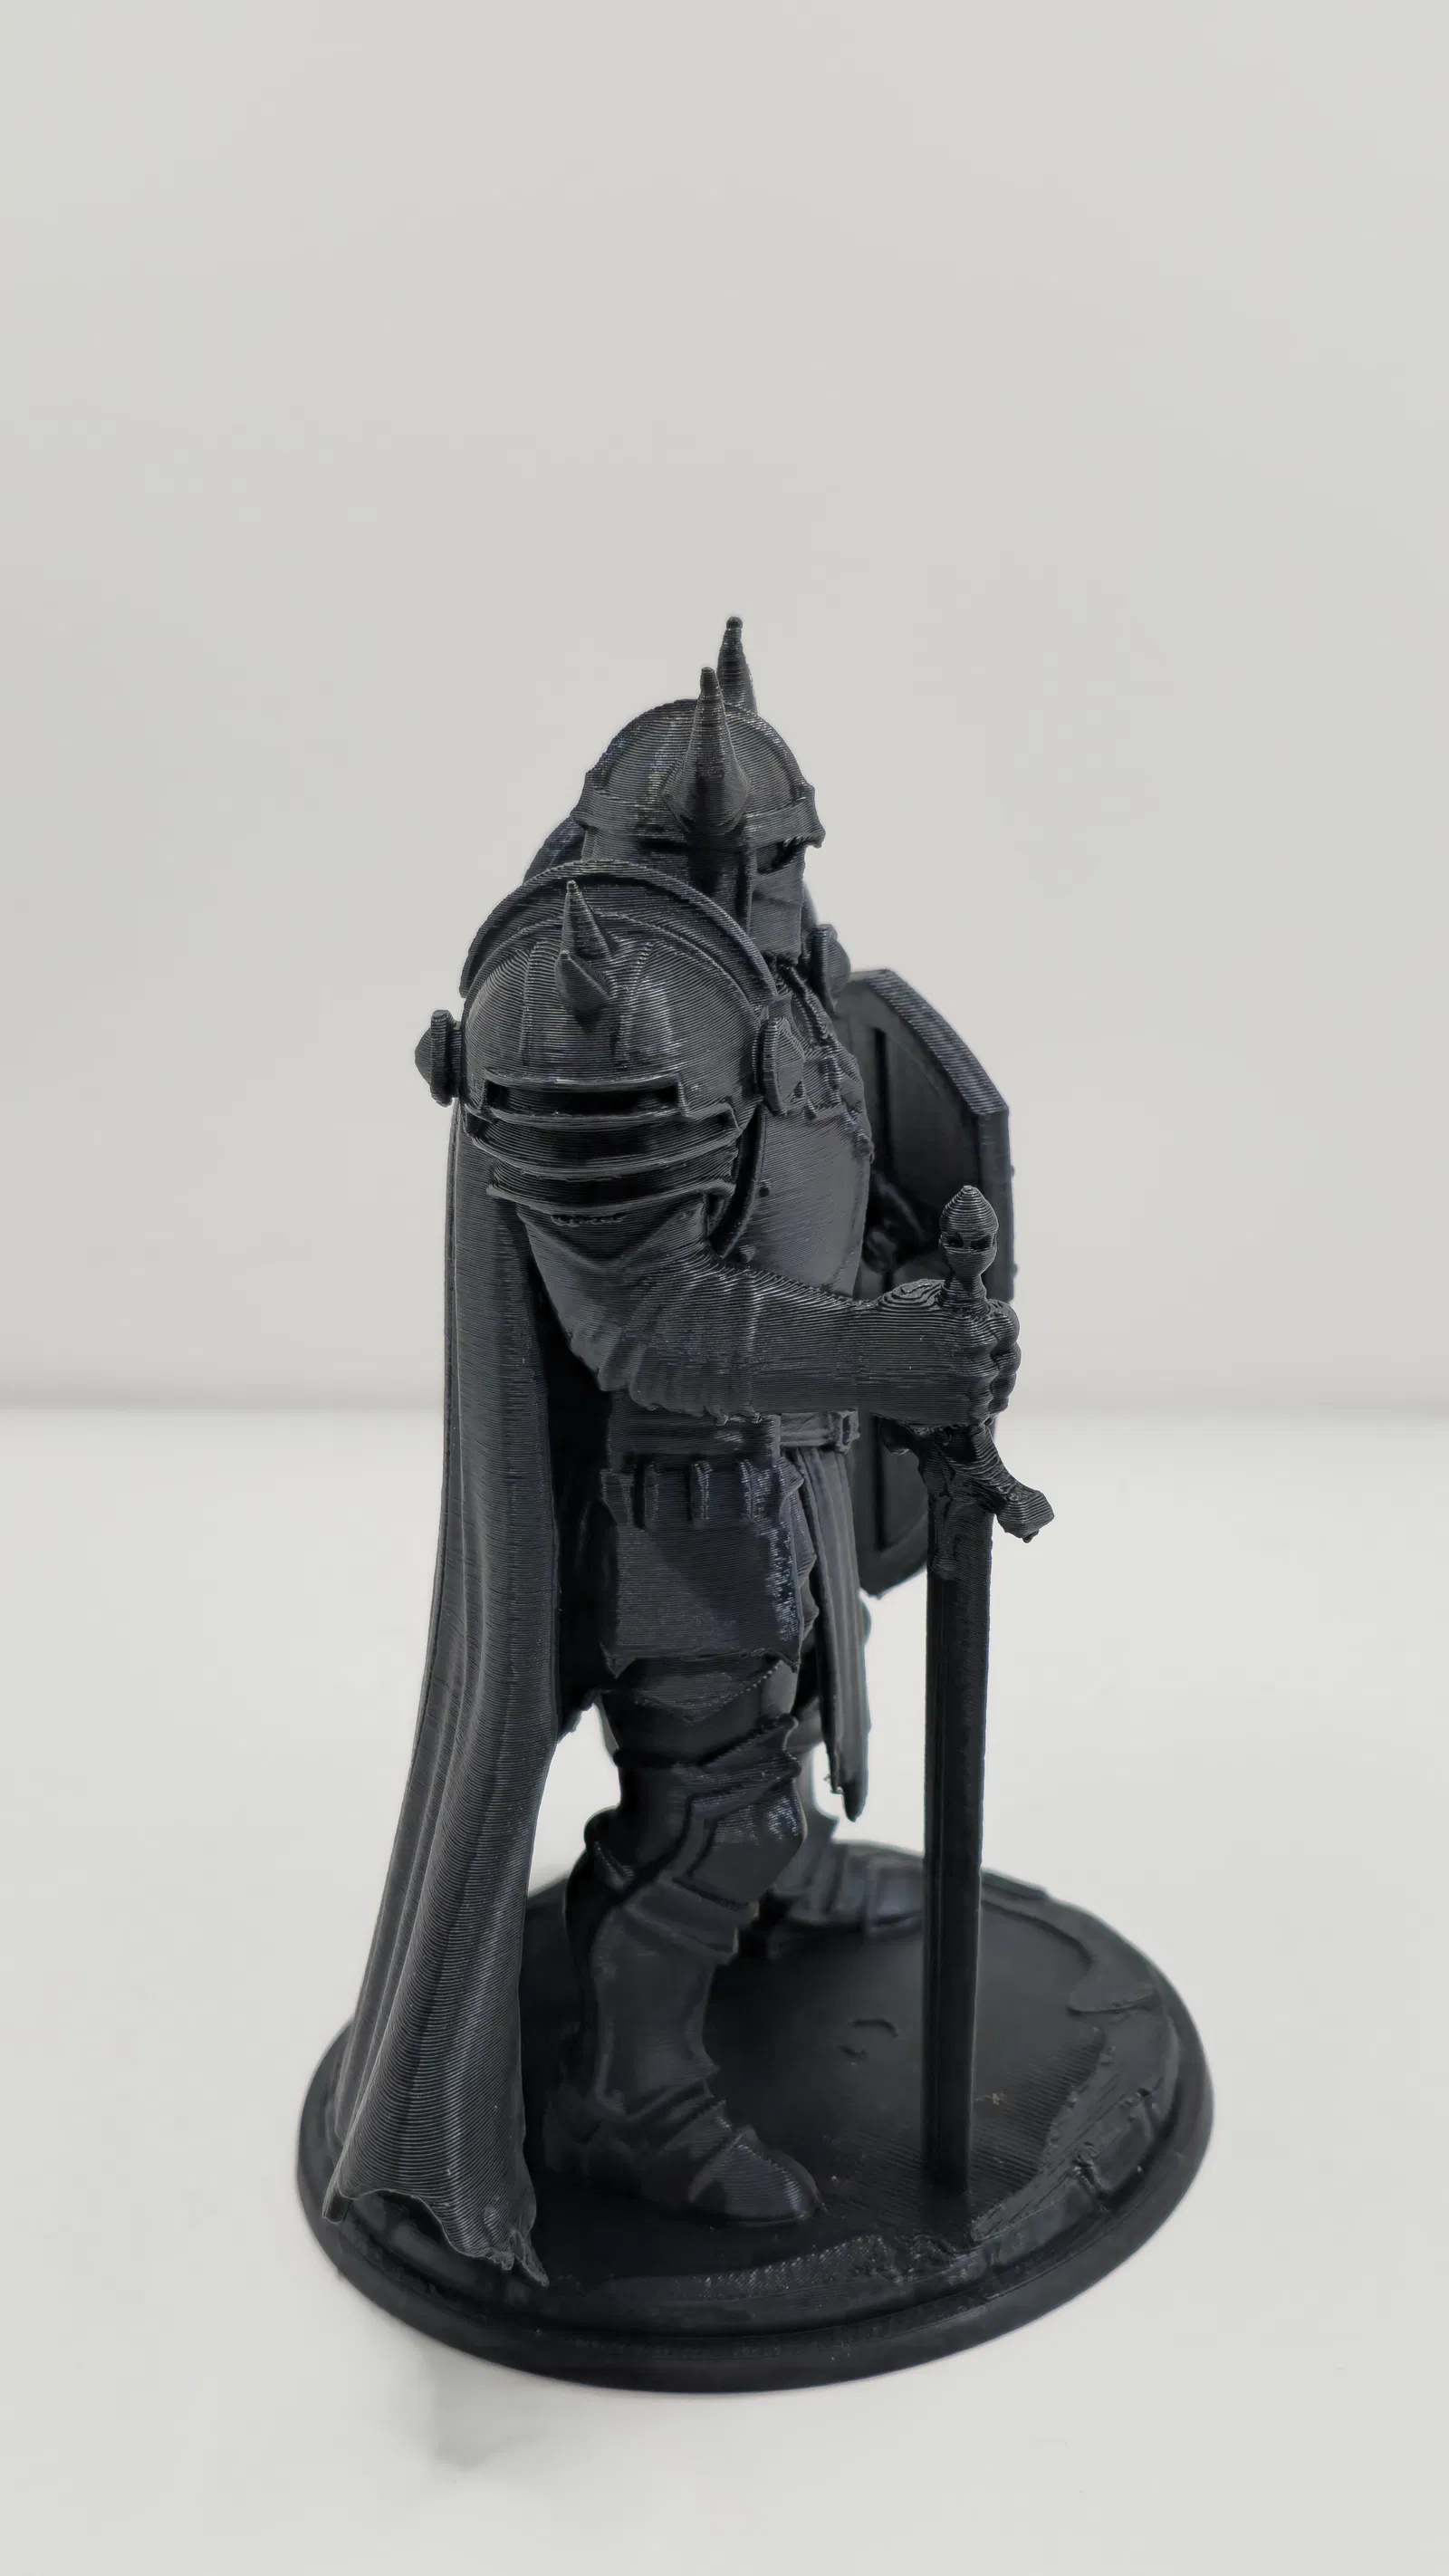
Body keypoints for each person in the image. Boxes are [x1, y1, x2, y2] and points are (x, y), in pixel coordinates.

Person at [323, 624, 1020, 2273]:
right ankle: (631, 2099)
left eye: (794, 854)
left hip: (783, 1455)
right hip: (675, 1495)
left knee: (788, 1737)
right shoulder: (594, 998)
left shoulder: (761, 968)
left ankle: (770, 1882)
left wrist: (895, 1286)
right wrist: (889, 1352)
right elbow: (640, 1327)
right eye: (764, 857)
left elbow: (803, 1173)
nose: (787, 885)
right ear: (700, 856)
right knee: (715, 1803)